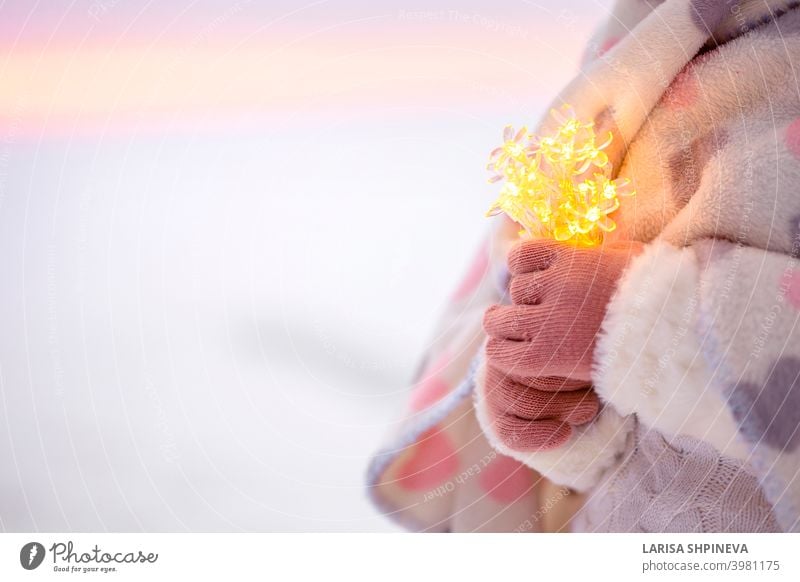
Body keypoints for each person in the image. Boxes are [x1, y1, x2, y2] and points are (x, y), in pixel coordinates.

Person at [367, 0, 800, 532]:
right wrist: (557, 414)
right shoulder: (648, 37)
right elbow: (624, 442)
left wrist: (632, 321)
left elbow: (620, 335)